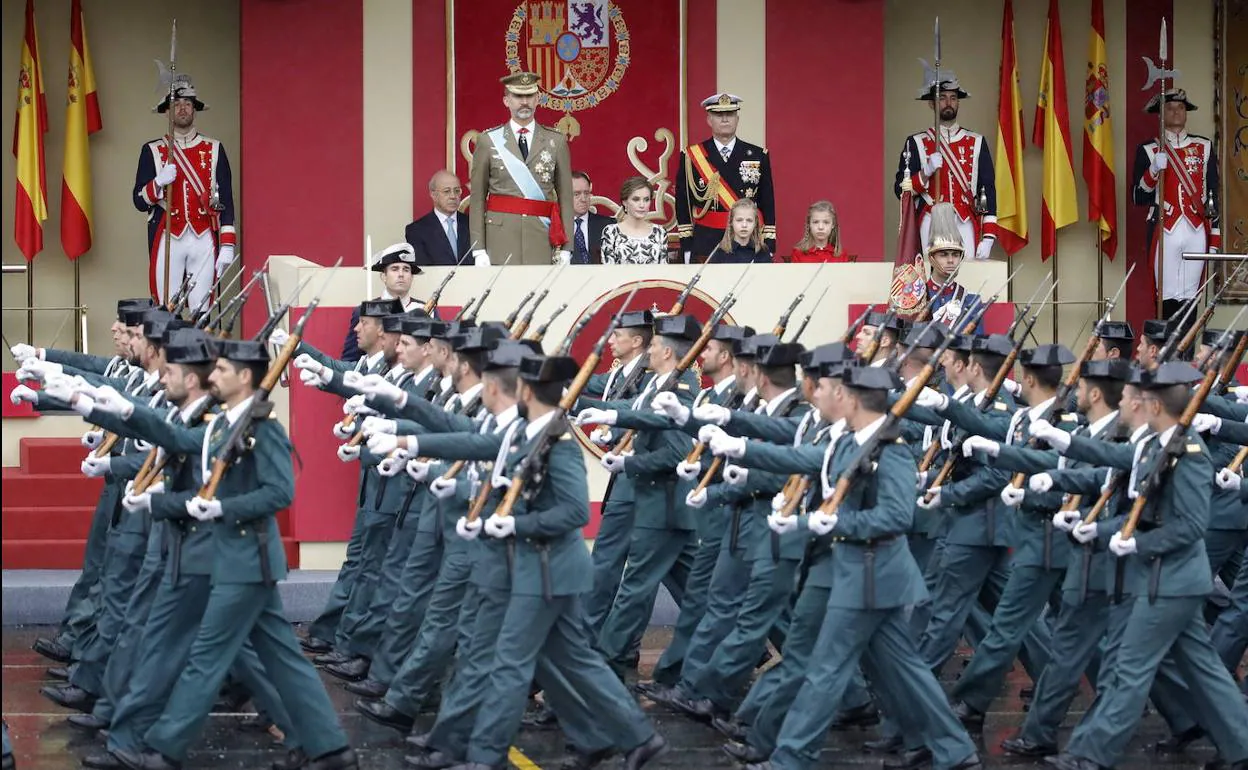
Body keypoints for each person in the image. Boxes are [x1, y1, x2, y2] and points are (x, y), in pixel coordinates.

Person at [86, 339, 360, 770]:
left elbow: (280, 492)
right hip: (234, 560)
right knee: (282, 659)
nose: (213, 376)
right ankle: (330, 749)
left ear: (246, 377)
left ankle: (164, 749)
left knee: (207, 657)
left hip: (246, 560)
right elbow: (176, 435)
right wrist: (123, 411)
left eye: (223, 370)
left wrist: (222, 508)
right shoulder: (221, 426)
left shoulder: (263, 429)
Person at [132, 74, 235, 311]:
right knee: (166, 310)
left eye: (187, 104)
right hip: (168, 236)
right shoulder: (153, 151)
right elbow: (138, 200)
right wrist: (158, 183)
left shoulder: (214, 149)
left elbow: (226, 201)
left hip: (204, 237)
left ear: (194, 109)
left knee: (202, 311)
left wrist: (228, 244)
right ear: (167, 112)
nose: (182, 109)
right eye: (176, 105)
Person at [1131, 88, 1220, 319]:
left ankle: (1187, 352)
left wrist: (1215, 238)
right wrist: (1152, 171)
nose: (1176, 112)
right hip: (1165, 228)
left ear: (1186, 112)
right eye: (1170, 108)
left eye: (1180, 107)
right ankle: (1167, 352)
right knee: (1167, 296)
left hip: (1196, 229)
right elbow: (1138, 197)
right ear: (1161, 114)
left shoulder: (1204, 146)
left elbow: (1213, 194)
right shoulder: (1149, 150)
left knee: (1191, 296)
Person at [468, 72, 574, 267]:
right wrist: (478, 249)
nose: (524, 102)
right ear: (506, 100)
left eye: (529, 95)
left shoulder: (556, 141)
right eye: (518, 96)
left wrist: (567, 249)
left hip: (541, 237)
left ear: (538, 99)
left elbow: (566, 198)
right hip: (500, 238)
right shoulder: (488, 140)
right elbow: (477, 199)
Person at [894, 74, 997, 261]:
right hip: (930, 219)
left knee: (968, 277)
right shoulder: (916, 142)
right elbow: (900, 190)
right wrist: (926, 172)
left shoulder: (977, 141)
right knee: (929, 273)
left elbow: (988, 189)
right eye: (942, 98)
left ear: (958, 103)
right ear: (932, 104)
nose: (948, 102)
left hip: (964, 220)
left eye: (953, 98)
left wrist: (989, 236)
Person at [676, 93, 776, 262]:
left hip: (747, 241)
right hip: (706, 240)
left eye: (729, 114)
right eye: (718, 115)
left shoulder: (758, 155)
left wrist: (769, 242)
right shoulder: (691, 156)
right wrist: (687, 245)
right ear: (709, 120)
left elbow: (767, 201)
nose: (724, 119)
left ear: (737, 119)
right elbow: (683, 203)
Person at [340, 243, 424, 361]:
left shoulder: (424, 309)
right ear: (384, 276)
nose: (401, 274)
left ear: (411, 277)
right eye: (394, 269)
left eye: (406, 270)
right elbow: (351, 358)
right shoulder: (365, 310)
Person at [404, 171, 471, 267]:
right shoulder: (416, 230)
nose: (453, 196)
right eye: (447, 191)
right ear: (433, 195)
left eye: (457, 191)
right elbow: (423, 268)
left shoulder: (472, 224)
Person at [601, 176, 668, 265]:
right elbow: (607, 271)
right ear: (625, 202)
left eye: (646, 200)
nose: (642, 205)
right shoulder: (611, 232)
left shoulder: (660, 232)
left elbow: (664, 271)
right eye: (636, 199)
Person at [569, 171, 614, 264]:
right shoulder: (555, 226)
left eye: (586, 193)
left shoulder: (608, 226)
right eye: (576, 194)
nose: (583, 199)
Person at [707, 199, 771, 264]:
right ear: (731, 222)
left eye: (749, 220)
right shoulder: (720, 253)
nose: (744, 225)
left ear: (755, 223)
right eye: (739, 220)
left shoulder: (762, 251)